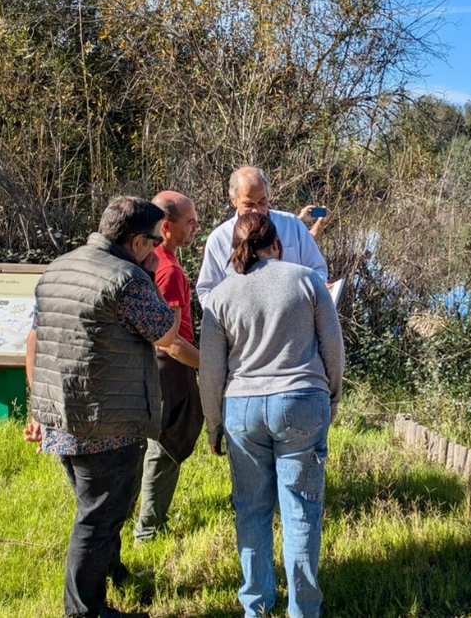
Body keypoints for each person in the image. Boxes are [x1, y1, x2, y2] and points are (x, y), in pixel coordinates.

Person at [27, 196, 180, 618]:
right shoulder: (128, 279)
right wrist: (150, 281)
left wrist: (34, 408)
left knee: (98, 506)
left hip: (60, 413)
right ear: (135, 242)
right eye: (153, 242)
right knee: (96, 518)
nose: (156, 250)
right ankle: (84, 608)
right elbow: (165, 333)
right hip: (107, 419)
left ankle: (112, 571)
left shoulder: (58, 267)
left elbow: (36, 337)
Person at [200, 213, 345, 618]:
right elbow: (332, 348)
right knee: (301, 510)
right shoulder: (306, 280)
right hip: (302, 400)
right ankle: (303, 610)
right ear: (276, 245)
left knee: (250, 509)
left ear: (235, 250)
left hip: (242, 408)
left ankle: (256, 606)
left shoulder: (221, 295)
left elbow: (211, 371)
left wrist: (214, 423)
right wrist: (332, 397)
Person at [134, 191, 203, 542]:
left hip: (146, 369)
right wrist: (209, 367)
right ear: (166, 226)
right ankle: (148, 530)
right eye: (189, 222)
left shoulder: (146, 259)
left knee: (149, 447)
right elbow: (172, 341)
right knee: (166, 448)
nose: (196, 227)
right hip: (170, 370)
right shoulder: (169, 270)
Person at [196, 166, 329, 305]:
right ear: (233, 200)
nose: (257, 210)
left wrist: (314, 291)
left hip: (294, 317)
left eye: (262, 202)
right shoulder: (219, 239)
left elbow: (317, 270)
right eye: (248, 204)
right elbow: (207, 291)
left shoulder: (292, 225)